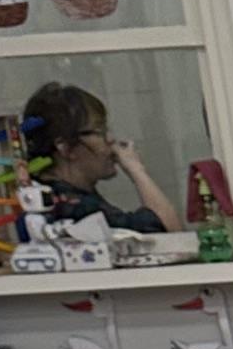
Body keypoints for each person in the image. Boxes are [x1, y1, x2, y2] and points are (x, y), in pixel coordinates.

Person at [19, 79, 179, 238]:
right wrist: (136, 170)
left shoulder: (53, 195)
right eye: (99, 131)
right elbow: (170, 233)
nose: (110, 139)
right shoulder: (76, 208)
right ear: (66, 147)